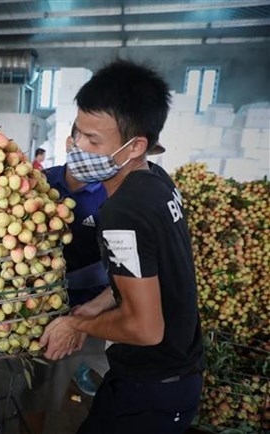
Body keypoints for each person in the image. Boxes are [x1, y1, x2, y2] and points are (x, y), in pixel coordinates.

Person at [40, 59, 203, 434]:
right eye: (77, 133)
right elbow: (146, 272)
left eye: (93, 141)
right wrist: (93, 308)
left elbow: (146, 328)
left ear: (135, 146)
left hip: (152, 388)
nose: (78, 146)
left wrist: (78, 325)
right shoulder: (157, 181)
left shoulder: (121, 212)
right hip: (174, 377)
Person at [20, 125, 110, 434]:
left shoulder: (109, 195)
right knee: (41, 386)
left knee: (110, 379)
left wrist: (85, 316)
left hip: (94, 307)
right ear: (70, 142)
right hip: (44, 307)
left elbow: (116, 267)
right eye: (85, 142)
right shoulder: (42, 183)